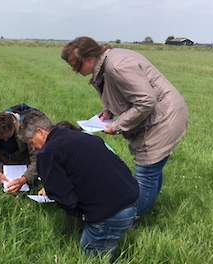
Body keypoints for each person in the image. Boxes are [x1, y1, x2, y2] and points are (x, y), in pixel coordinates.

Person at [61, 36, 188, 216]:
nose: (75, 71)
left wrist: (117, 125)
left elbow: (146, 101)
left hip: (163, 118)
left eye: (76, 66)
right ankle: (145, 209)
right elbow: (125, 92)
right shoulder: (110, 60)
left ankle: (132, 219)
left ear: (89, 59)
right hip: (163, 113)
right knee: (153, 170)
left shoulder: (116, 66)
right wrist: (109, 112)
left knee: (146, 172)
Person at [19, 111, 138, 258]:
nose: (34, 148)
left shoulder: (48, 153)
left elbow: (65, 198)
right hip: (132, 199)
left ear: (40, 132)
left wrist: (81, 215)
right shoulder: (81, 136)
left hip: (110, 213)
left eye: (31, 142)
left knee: (90, 256)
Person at [0, 104, 39, 192]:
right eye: (1, 137)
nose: (5, 139)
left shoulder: (26, 127)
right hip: (3, 158)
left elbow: (36, 157)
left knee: (32, 186)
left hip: (24, 157)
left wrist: (25, 178)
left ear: (14, 126)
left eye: (8, 137)